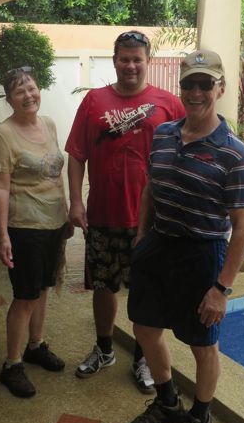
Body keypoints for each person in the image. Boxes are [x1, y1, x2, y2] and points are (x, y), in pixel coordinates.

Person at [127, 50, 244, 423]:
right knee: (145, 327)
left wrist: (222, 289)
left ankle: (201, 419)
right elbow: (150, 187)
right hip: (159, 243)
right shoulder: (164, 134)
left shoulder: (233, 152)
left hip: (202, 253)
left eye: (205, 84)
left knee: (202, 344)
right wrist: (142, 235)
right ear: (180, 87)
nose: (196, 92)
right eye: (189, 84)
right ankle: (167, 402)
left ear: (220, 88)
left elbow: (243, 228)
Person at [65, 30, 185, 392]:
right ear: (115, 60)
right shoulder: (94, 101)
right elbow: (76, 154)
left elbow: (186, 155)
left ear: (148, 61)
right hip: (103, 215)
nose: (130, 65)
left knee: (147, 293)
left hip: (151, 222)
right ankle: (104, 350)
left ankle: (143, 358)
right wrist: (75, 201)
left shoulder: (169, 104)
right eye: (124, 59)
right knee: (103, 287)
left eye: (137, 59)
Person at [0, 67, 72, 398]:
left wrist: (66, 211)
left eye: (32, 88)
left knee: (43, 288)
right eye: (19, 91)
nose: (28, 95)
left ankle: (36, 345)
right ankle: (12, 364)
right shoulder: (3, 135)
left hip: (53, 223)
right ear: (10, 99)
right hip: (24, 227)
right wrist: (3, 235)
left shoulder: (48, 124)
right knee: (25, 296)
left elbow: (56, 174)